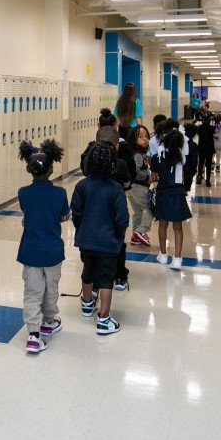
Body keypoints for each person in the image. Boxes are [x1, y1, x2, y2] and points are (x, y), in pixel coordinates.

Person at [15, 140, 69, 354]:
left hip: (30, 251)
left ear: (29, 169)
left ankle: (33, 335)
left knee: (32, 291)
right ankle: (48, 321)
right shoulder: (60, 193)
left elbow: (29, 213)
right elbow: (63, 215)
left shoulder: (23, 193)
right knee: (50, 290)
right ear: (52, 169)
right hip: (52, 251)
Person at [71, 141, 129, 335]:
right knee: (106, 279)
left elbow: (76, 213)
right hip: (109, 243)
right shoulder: (115, 189)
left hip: (86, 240)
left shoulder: (81, 186)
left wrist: (83, 229)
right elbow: (122, 218)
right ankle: (104, 319)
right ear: (113, 164)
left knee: (87, 272)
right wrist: (118, 236)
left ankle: (87, 305)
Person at [150, 131, 193, 270]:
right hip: (178, 194)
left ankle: (163, 255)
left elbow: (154, 176)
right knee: (178, 228)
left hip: (163, 194)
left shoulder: (158, 157)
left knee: (163, 225)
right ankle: (177, 259)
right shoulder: (182, 158)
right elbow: (187, 173)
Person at [125, 126, 155, 248]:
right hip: (139, 187)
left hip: (131, 189)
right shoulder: (138, 154)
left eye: (146, 136)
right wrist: (148, 177)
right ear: (133, 139)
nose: (145, 139)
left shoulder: (135, 152)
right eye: (141, 137)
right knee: (151, 209)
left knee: (137, 212)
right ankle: (140, 231)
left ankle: (135, 237)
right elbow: (136, 171)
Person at [195, 114, 216, 187]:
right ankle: (208, 181)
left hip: (201, 148)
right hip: (209, 148)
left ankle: (199, 178)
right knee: (208, 165)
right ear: (209, 121)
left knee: (200, 163)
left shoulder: (199, 128)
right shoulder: (212, 128)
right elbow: (216, 134)